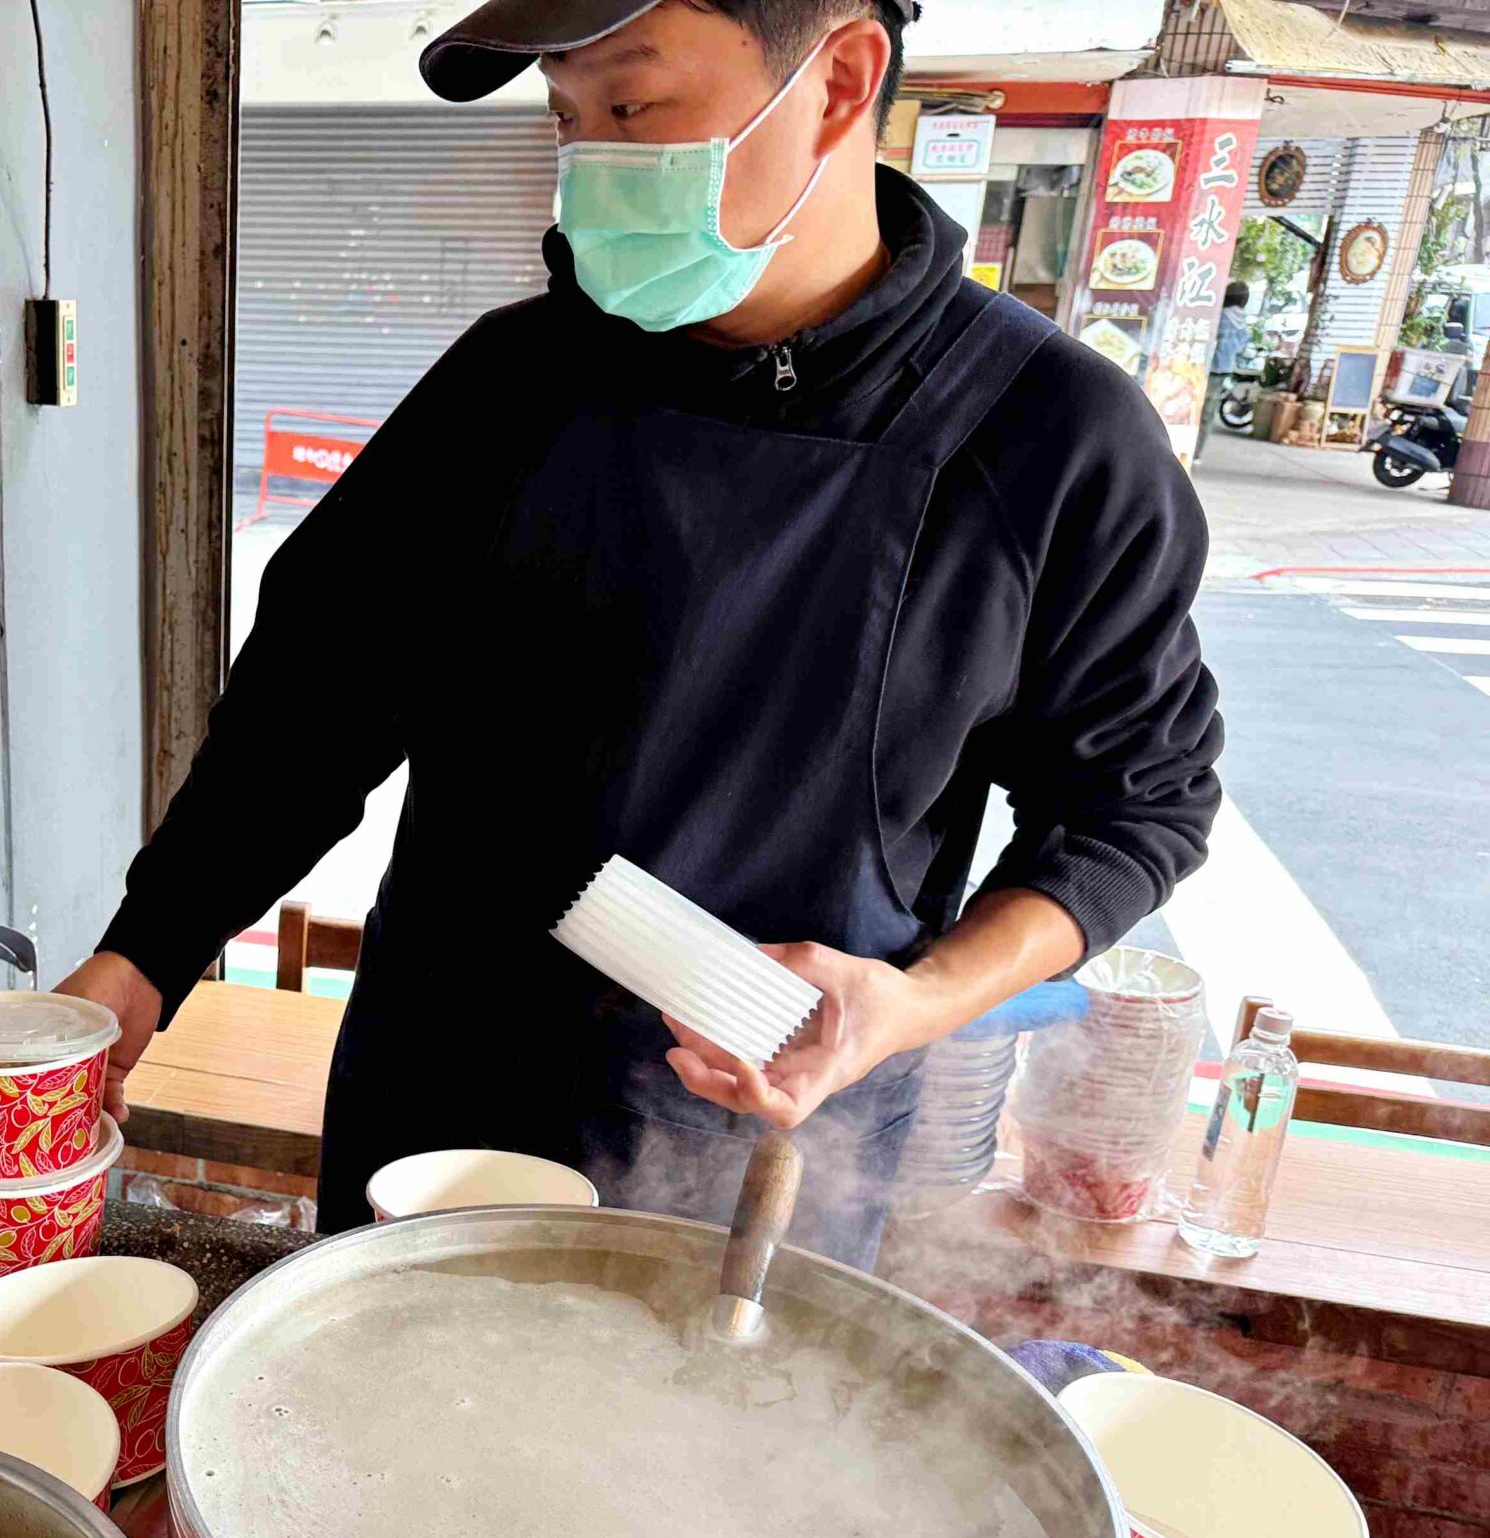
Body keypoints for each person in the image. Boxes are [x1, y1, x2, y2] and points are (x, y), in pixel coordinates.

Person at [60, 0, 1224, 1265]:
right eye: (566, 115)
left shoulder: (1050, 440)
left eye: (631, 107)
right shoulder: (507, 385)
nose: (590, 161)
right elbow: (309, 713)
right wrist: (142, 958)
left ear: (838, 80)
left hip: (761, 1151)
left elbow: (1131, 811)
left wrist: (910, 1002)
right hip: (435, 1112)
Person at [1201, 280, 1253, 462]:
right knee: (1208, 412)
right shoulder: (1243, 321)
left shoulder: (1220, 315)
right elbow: (1241, 348)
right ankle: (1197, 452)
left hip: (1206, 367)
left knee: (1196, 409)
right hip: (1224, 369)